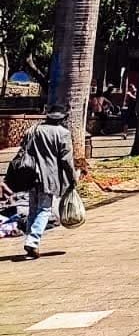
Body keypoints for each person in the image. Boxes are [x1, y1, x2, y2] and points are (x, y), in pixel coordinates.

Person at [21, 107, 77, 258]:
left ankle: (30, 240)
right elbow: (66, 160)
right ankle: (32, 241)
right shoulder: (63, 134)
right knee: (44, 210)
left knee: (33, 209)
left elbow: (23, 150)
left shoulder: (32, 130)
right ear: (62, 118)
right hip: (49, 176)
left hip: (30, 175)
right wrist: (72, 178)